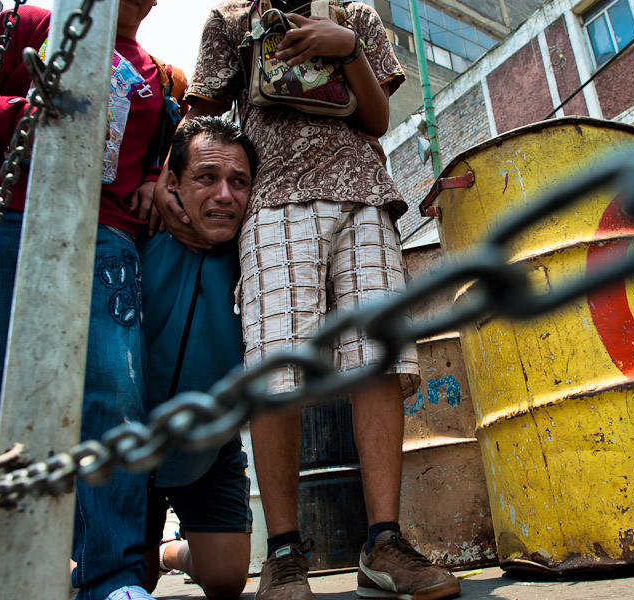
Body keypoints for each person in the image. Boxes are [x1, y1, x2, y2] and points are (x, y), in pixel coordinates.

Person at [151, 1, 461, 599]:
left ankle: (383, 540)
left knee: (380, 362)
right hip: (274, 201)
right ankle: (285, 553)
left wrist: (344, 46)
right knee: (277, 368)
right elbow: (201, 115)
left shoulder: (354, 15)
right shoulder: (231, 18)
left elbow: (375, 119)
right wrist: (166, 177)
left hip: (366, 195)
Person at [0, 2, 185, 599]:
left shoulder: (155, 76)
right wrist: (17, 116)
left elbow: (160, 153)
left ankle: (111, 579)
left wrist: (151, 179)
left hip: (106, 236)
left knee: (114, 401)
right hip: (1, 217)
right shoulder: (36, 22)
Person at [137, 116, 257, 600]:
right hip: (122, 449)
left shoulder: (257, 255)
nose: (224, 195)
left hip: (208, 453)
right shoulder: (136, 237)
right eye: (206, 178)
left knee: (227, 580)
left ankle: (175, 551)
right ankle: (150, 552)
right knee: (124, 581)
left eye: (239, 182)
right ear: (173, 184)